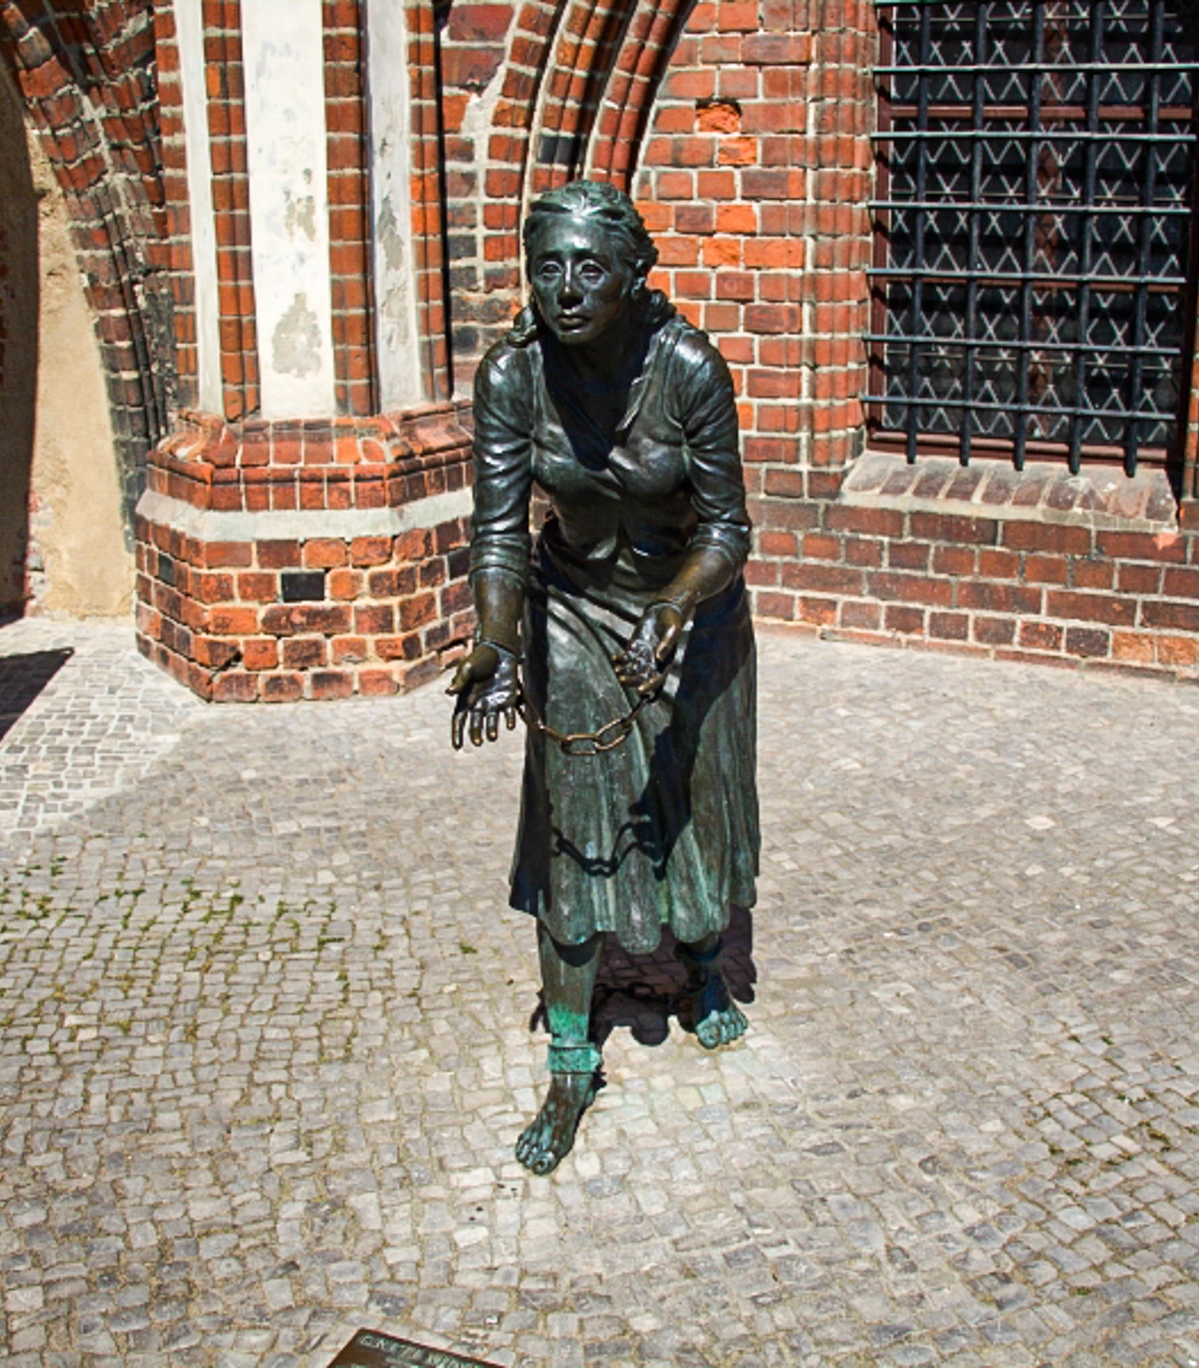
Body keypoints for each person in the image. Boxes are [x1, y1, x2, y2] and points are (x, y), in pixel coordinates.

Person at [448, 180, 760, 1176]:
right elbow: (497, 535)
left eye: (590, 267)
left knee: (694, 812)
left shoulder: (687, 371)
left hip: (690, 610)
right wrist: (495, 645)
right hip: (574, 607)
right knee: (578, 831)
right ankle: (571, 1062)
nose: (567, 288)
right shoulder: (511, 378)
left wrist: (673, 609)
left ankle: (706, 966)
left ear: (634, 275)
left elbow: (726, 529)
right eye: (548, 267)